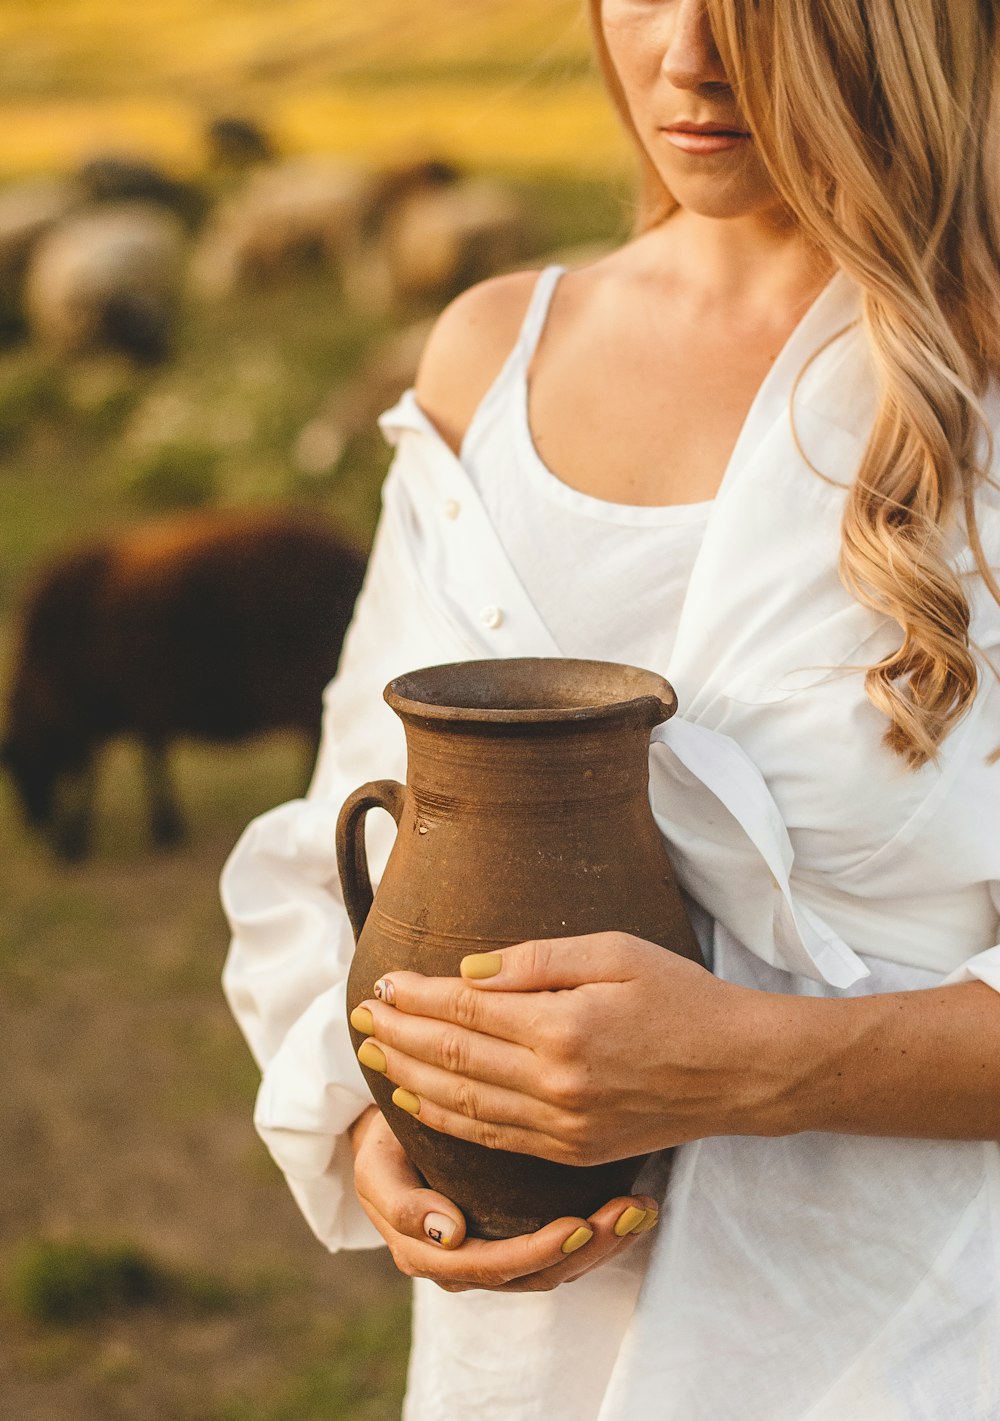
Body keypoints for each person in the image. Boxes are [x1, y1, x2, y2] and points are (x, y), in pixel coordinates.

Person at [221, 1, 1000, 1416]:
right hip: (532, 1374)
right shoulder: (488, 360)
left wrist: (771, 1066)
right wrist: (378, 1123)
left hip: (921, 1340)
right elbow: (343, 836)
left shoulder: (979, 374)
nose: (689, 56)